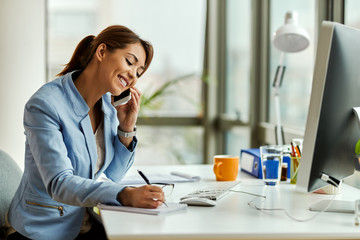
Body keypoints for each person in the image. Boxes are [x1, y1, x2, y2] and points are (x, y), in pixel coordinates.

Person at [7, 25, 165, 240]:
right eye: (129, 62)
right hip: (44, 230)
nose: (133, 76)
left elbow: (115, 174)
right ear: (101, 52)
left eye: (139, 72)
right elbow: (59, 183)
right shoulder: (45, 105)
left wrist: (126, 128)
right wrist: (124, 195)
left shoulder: (108, 107)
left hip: (82, 222)